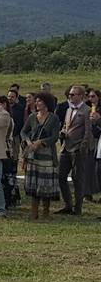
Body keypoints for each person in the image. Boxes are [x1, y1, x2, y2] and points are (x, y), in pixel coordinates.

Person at [20, 93, 61, 220]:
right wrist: (27, 141)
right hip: (33, 155)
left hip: (47, 155)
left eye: (39, 101)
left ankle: (46, 211)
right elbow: (23, 131)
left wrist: (41, 142)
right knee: (34, 183)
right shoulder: (32, 117)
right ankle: (34, 211)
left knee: (46, 185)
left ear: (46, 103)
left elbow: (55, 137)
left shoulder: (53, 118)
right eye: (36, 101)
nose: (36, 103)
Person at [56, 85, 95, 215]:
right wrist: (62, 132)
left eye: (73, 95)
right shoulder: (68, 110)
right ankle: (68, 204)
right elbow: (65, 126)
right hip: (66, 147)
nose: (70, 97)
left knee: (77, 178)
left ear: (81, 96)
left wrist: (83, 147)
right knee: (61, 176)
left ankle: (77, 207)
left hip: (78, 149)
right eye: (70, 95)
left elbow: (88, 132)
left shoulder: (87, 110)